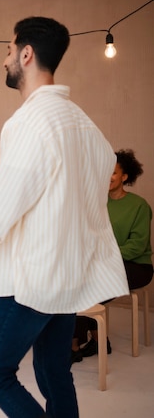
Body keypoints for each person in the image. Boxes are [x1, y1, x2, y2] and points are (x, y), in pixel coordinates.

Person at [0, 17, 129, 417]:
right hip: (66, 272)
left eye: (8, 51)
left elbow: (3, 206)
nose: (4, 60)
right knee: (54, 370)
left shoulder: (29, 121)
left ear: (26, 53)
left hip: (35, 279)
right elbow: (103, 168)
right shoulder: (82, 122)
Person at [72, 149, 153, 362]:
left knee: (89, 285)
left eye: (113, 172)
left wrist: (102, 256)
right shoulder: (97, 204)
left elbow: (137, 246)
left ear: (125, 176)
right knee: (73, 281)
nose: (107, 176)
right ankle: (97, 342)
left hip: (136, 266)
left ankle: (75, 344)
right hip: (103, 262)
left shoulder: (139, 206)